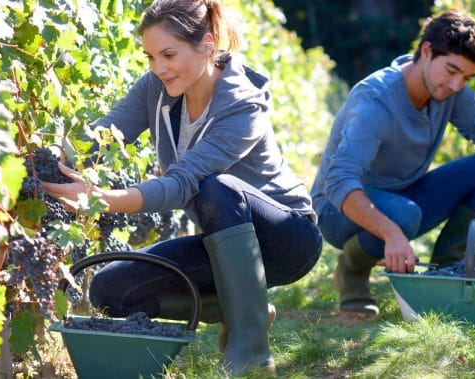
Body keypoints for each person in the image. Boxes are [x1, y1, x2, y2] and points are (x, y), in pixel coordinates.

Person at [41, 0, 322, 374]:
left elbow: (183, 184)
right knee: (110, 290)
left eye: (169, 54)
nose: (159, 68)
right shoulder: (156, 89)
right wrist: (53, 152)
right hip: (223, 243)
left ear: (207, 45)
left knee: (216, 187)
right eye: (151, 57)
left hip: (287, 239)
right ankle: (241, 308)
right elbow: (108, 132)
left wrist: (102, 200)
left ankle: (251, 351)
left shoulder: (243, 108)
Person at [311, 10, 475, 316]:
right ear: (427, 51)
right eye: (452, 71)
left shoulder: (447, 89)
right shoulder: (375, 100)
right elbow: (339, 182)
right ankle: (351, 271)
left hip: (402, 197)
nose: (457, 85)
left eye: (467, 78)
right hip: (338, 208)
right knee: (403, 216)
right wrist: (391, 234)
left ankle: (449, 274)